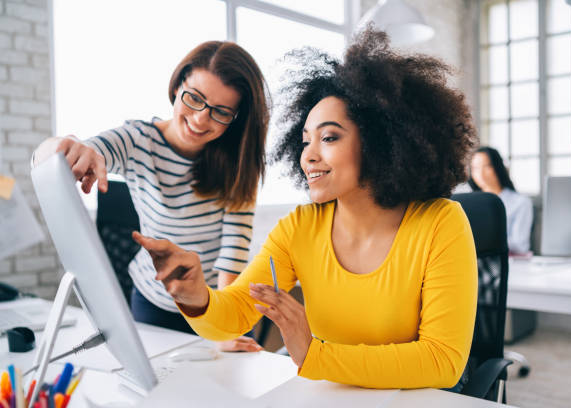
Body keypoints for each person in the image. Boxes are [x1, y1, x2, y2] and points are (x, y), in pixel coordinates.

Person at [133, 27, 478, 389]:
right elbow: (235, 312)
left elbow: (442, 361)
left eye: (329, 137)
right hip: (335, 394)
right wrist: (196, 296)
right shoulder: (300, 227)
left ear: (379, 142)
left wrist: (315, 354)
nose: (308, 156)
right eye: (305, 140)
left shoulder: (441, 223)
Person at [32, 41, 269, 352]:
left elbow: (233, 253)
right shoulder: (139, 140)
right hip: (151, 300)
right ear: (178, 84)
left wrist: (222, 324)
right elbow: (61, 155)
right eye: (194, 98)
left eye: (220, 112)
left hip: (208, 305)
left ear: (236, 118)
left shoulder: (239, 163)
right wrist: (64, 148)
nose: (200, 119)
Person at [469, 146, 533, 255]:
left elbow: (520, 245)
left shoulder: (520, 202)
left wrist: (483, 241)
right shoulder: (469, 203)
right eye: (475, 168)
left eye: (486, 166)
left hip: (509, 263)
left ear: (498, 167)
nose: (481, 173)